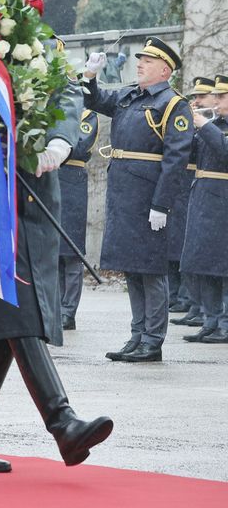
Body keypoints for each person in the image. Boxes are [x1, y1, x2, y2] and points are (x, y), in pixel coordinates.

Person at [0, 50, 113, 473]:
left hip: (32, 193)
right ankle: (63, 423)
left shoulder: (26, 38)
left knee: (6, 325)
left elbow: (66, 86)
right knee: (15, 313)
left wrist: (59, 137)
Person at [83, 37, 192, 362]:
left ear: (164, 69)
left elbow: (176, 159)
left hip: (148, 197)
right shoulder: (130, 96)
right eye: (140, 59)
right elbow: (96, 100)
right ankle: (137, 335)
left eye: (147, 61)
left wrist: (162, 204)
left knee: (152, 270)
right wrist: (90, 77)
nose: (140, 64)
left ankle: (153, 340)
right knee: (132, 268)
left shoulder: (174, 104)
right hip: (124, 194)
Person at [178, 74, 228, 344]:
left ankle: (226, 324)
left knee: (224, 266)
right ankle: (211, 320)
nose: (216, 100)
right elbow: (190, 155)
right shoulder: (214, 124)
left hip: (224, 202)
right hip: (204, 199)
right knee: (204, 263)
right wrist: (185, 128)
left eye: (221, 96)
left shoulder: (213, 126)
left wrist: (204, 125)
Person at [170, 77, 217, 325]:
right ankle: (203, 313)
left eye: (203, 97)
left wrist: (203, 125)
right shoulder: (205, 124)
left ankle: (213, 316)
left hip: (215, 197)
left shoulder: (214, 126)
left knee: (213, 261)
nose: (196, 101)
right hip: (198, 192)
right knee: (194, 255)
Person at [57, 108, 99, 331]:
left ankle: (68, 311)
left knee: (71, 252)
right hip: (50, 177)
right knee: (52, 251)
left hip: (72, 181)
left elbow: (80, 145)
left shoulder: (86, 114)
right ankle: (54, 308)